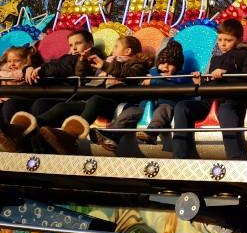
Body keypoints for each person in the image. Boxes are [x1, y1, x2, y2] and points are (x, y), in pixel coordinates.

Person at [16, 36, 153, 155]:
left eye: (116, 46)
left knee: (95, 100)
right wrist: (83, 61)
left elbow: (129, 74)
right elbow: (83, 77)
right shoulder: (108, 61)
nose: (113, 49)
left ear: (127, 51)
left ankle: (70, 137)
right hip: (93, 97)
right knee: (63, 107)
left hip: (115, 102)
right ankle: (26, 127)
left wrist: (105, 65)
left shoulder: (137, 64)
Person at [171, 18, 247, 160]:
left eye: (228, 40)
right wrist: (200, 84)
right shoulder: (215, 60)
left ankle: (235, 157)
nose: (223, 44)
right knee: (183, 106)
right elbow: (213, 84)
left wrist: (226, 74)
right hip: (212, 100)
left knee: (226, 110)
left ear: (239, 40)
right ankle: (180, 155)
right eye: (220, 40)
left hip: (233, 99)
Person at [0, 29, 101, 151]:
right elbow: (56, 65)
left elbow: (61, 67)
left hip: (63, 94)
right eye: (70, 45)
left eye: (78, 43)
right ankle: (13, 139)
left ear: (89, 44)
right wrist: (30, 69)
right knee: (11, 103)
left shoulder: (88, 59)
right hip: (45, 91)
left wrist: (38, 70)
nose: (74, 48)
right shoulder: (69, 57)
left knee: (40, 104)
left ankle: (38, 144)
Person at [90, 39, 191, 152]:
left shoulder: (180, 77)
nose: (165, 66)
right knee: (129, 113)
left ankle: (151, 133)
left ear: (177, 66)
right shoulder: (152, 73)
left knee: (162, 111)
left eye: (170, 64)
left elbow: (179, 88)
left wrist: (152, 82)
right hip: (146, 107)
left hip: (166, 105)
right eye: (162, 63)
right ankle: (112, 136)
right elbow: (133, 76)